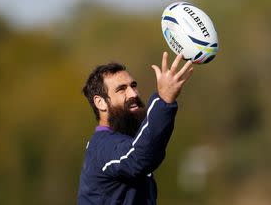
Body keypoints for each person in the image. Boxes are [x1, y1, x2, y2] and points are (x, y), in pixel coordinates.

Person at [77, 52, 194, 205]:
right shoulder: (103, 147)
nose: (133, 93)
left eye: (133, 86)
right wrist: (164, 100)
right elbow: (139, 157)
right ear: (101, 103)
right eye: (121, 89)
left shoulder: (123, 141)